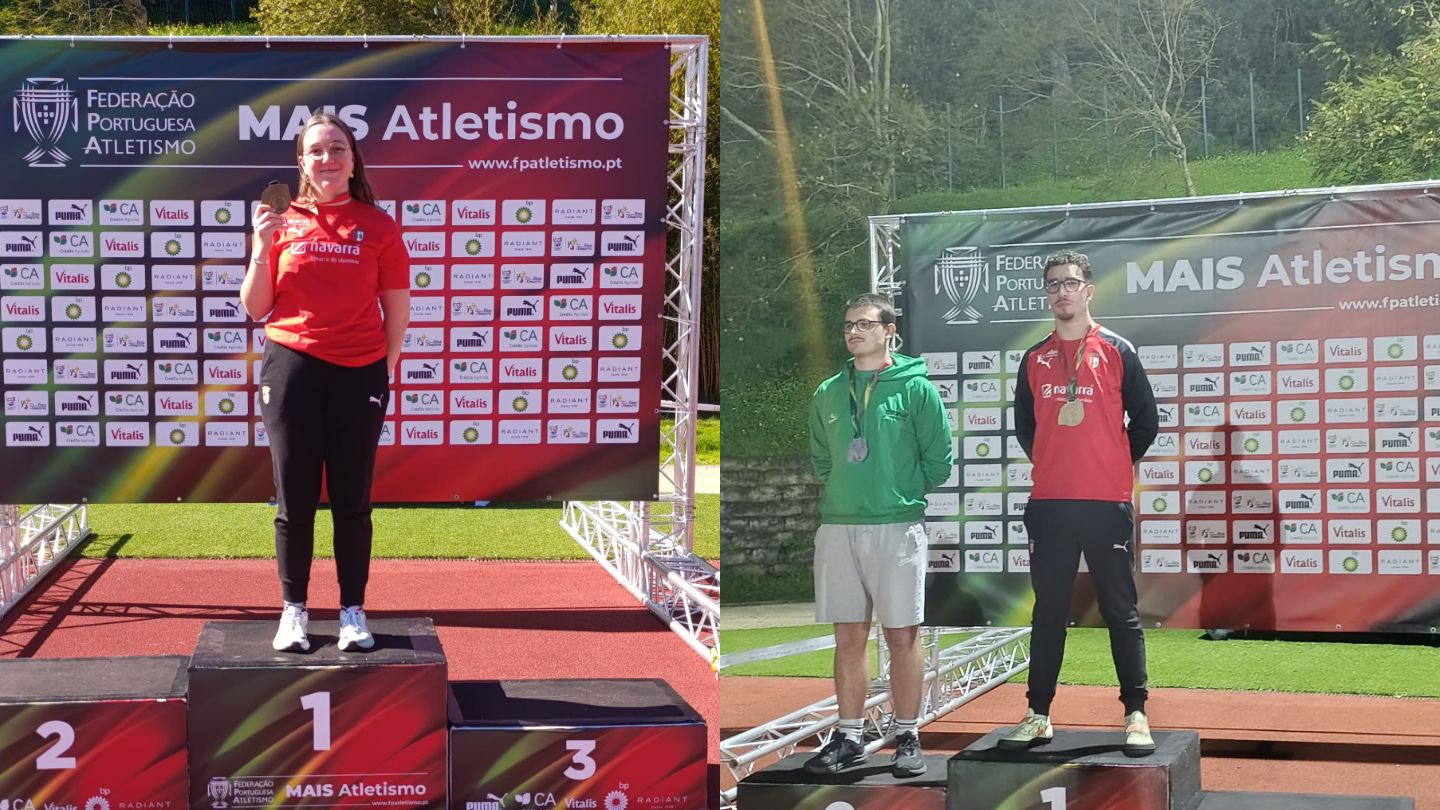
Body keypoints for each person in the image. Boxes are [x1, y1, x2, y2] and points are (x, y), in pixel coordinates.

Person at [241, 113, 411, 653]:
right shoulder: (280, 221)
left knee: (352, 500)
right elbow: (256, 307)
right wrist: (260, 246)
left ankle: (352, 612)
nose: (327, 158)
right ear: (302, 163)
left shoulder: (379, 226)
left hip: (360, 371)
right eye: (316, 150)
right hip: (291, 367)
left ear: (353, 160)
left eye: (337, 148)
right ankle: (293, 610)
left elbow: (397, 307)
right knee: (293, 499)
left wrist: (384, 368)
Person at [1002, 250, 1159, 757]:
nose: (1061, 292)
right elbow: (1026, 428)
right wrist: (1056, 463)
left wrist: (1110, 463)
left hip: (1105, 502)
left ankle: (1136, 713)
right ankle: (1038, 714)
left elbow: (1147, 420)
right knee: (1048, 612)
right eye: (1053, 284)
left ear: (1088, 290)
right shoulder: (1034, 358)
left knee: (1120, 610)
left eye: (1070, 283)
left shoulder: (1117, 350)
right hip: (1049, 504)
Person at [803, 293, 954, 777]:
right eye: (848, 324)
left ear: (889, 330)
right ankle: (849, 736)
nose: (853, 332)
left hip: (896, 525)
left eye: (865, 324)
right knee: (848, 636)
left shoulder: (916, 388)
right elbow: (822, 458)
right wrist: (849, 492)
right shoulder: (829, 391)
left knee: (902, 635)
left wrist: (899, 492)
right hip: (838, 526)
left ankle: (907, 734)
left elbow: (939, 460)